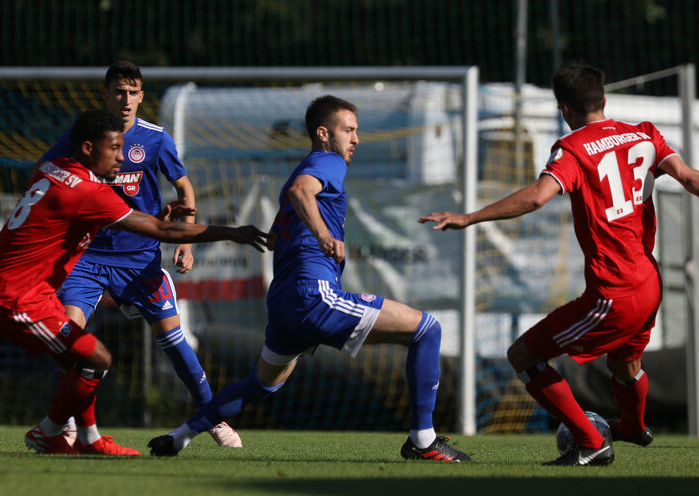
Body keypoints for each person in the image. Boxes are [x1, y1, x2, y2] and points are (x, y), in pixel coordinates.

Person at [419, 64, 699, 466]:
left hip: (614, 292)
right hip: (650, 282)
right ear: (604, 100)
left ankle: (591, 441)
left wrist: (469, 217)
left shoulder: (572, 148)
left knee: (523, 356)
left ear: (564, 108)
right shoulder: (643, 134)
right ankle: (632, 425)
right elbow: (690, 177)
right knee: (625, 362)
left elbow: (538, 197)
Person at [147, 95, 471, 462]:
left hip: (284, 301)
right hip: (311, 294)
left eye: (357, 131)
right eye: (348, 130)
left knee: (263, 384)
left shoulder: (307, 166)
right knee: (427, 329)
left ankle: (179, 436)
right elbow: (300, 192)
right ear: (323, 133)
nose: (356, 140)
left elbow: (284, 219)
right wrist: (323, 235)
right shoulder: (327, 161)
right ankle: (423, 442)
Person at [0, 109, 267, 456]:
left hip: (24, 285)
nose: (121, 155)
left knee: (83, 358)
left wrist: (150, 219)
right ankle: (51, 430)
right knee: (97, 357)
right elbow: (164, 231)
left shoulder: (53, 169)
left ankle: (88, 438)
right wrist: (233, 233)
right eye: (113, 148)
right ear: (87, 148)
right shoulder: (89, 192)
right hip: (13, 296)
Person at [40, 61, 243, 449]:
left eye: (133, 92)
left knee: (175, 341)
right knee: (69, 335)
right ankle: (64, 422)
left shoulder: (154, 138)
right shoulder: (85, 135)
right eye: (119, 91)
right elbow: (48, 168)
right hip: (87, 257)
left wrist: (184, 241)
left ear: (142, 96)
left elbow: (184, 189)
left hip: (140, 259)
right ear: (105, 94)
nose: (126, 99)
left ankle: (212, 418)